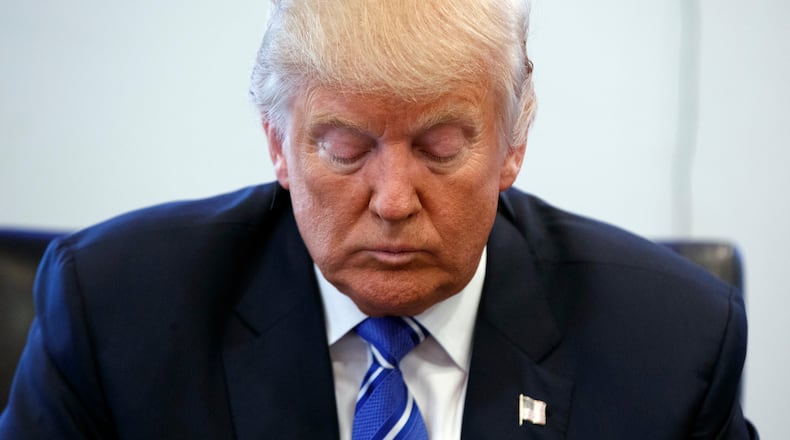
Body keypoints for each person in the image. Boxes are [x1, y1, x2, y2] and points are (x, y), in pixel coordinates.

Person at [0, 0, 757, 438]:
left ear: (512, 145)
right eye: (344, 148)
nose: (393, 200)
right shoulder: (113, 313)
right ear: (279, 146)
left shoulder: (671, 343)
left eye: (440, 148)